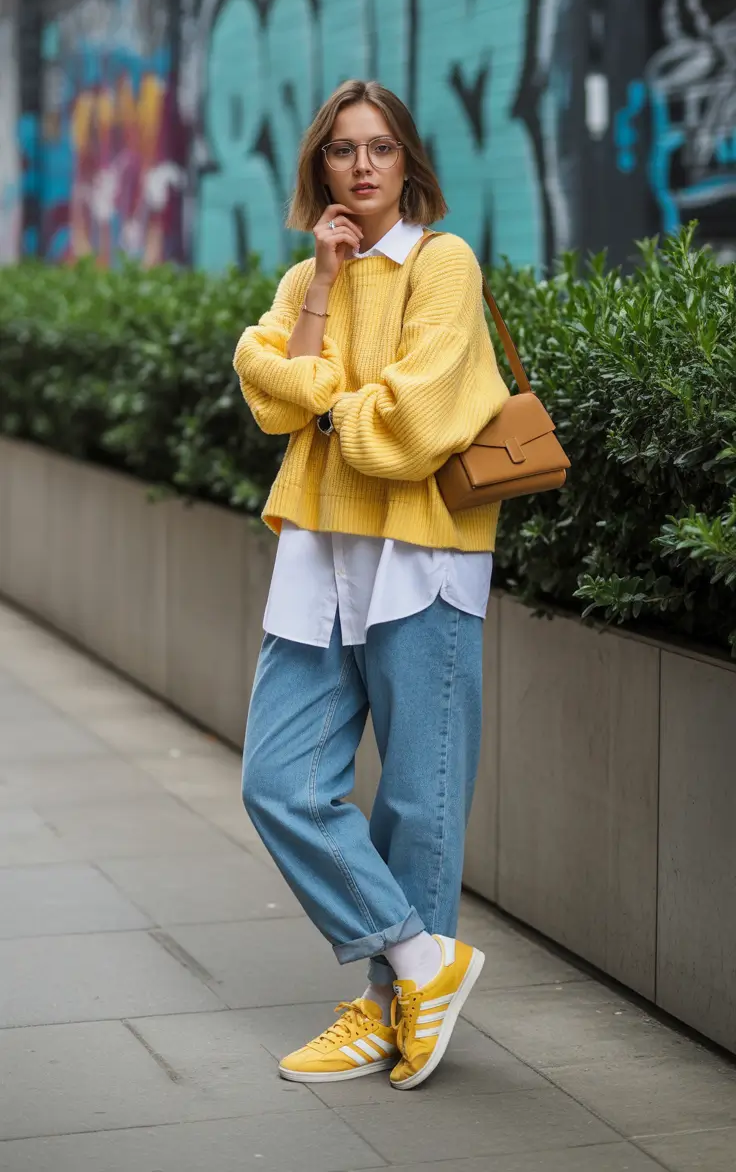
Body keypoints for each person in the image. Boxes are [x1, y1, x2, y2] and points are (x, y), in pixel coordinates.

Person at [233, 78, 509, 1091]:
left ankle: (392, 1017)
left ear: (407, 162)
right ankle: (414, 959)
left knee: (418, 805)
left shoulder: (443, 264)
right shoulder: (323, 268)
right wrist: (318, 290)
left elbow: (411, 422)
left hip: (420, 556)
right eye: (342, 150)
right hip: (319, 557)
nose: (361, 167)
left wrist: (319, 401)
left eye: (379, 148)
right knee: (277, 781)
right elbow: (263, 389)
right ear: (319, 168)